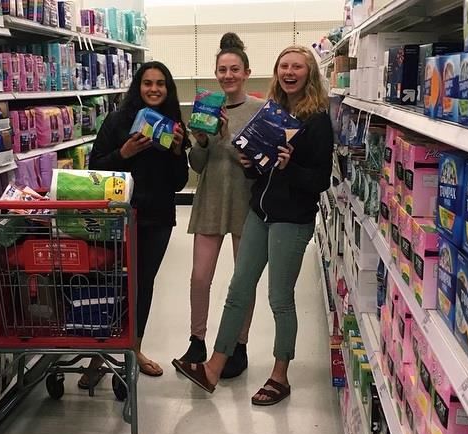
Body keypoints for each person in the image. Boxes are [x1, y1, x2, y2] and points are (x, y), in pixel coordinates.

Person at [173, 45, 334, 406]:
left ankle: (280, 375)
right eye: (284, 66)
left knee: (280, 298)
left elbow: (320, 179)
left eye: (297, 66)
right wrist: (249, 162)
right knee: (238, 290)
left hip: (291, 220)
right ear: (277, 72)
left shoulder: (317, 119)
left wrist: (289, 165)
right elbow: (262, 170)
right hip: (259, 213)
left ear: (309, 74)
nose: (289, 72)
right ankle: (213, 367)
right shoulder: (273, 111)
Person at [80, 61, 189, 387]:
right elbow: (94, 168)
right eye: (148, 83)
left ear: (167, 89)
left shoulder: (172, 125)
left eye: (160, 84)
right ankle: (98, 356)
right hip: (116, 219)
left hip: (157, 218)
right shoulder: (117, 121)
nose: (154, 89)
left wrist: (178, 150)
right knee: (112, 284)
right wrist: (124, 152)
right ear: (138, 87)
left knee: (142, 285)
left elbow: (180, 182)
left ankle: (134, 350)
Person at [174, 32, 265, 379]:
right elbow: (198, 164)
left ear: (245, 72)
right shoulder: (205, 108)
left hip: (246, 201)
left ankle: (238, 346)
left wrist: (228, 139)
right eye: (222, 70)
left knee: (243, 281)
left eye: (234, 69)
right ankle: (197, 341)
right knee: (200, 277)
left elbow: (261, 162)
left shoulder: (259, 110)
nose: (228, 76)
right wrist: (198, 142)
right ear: (216, 74)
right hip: (210, 199)